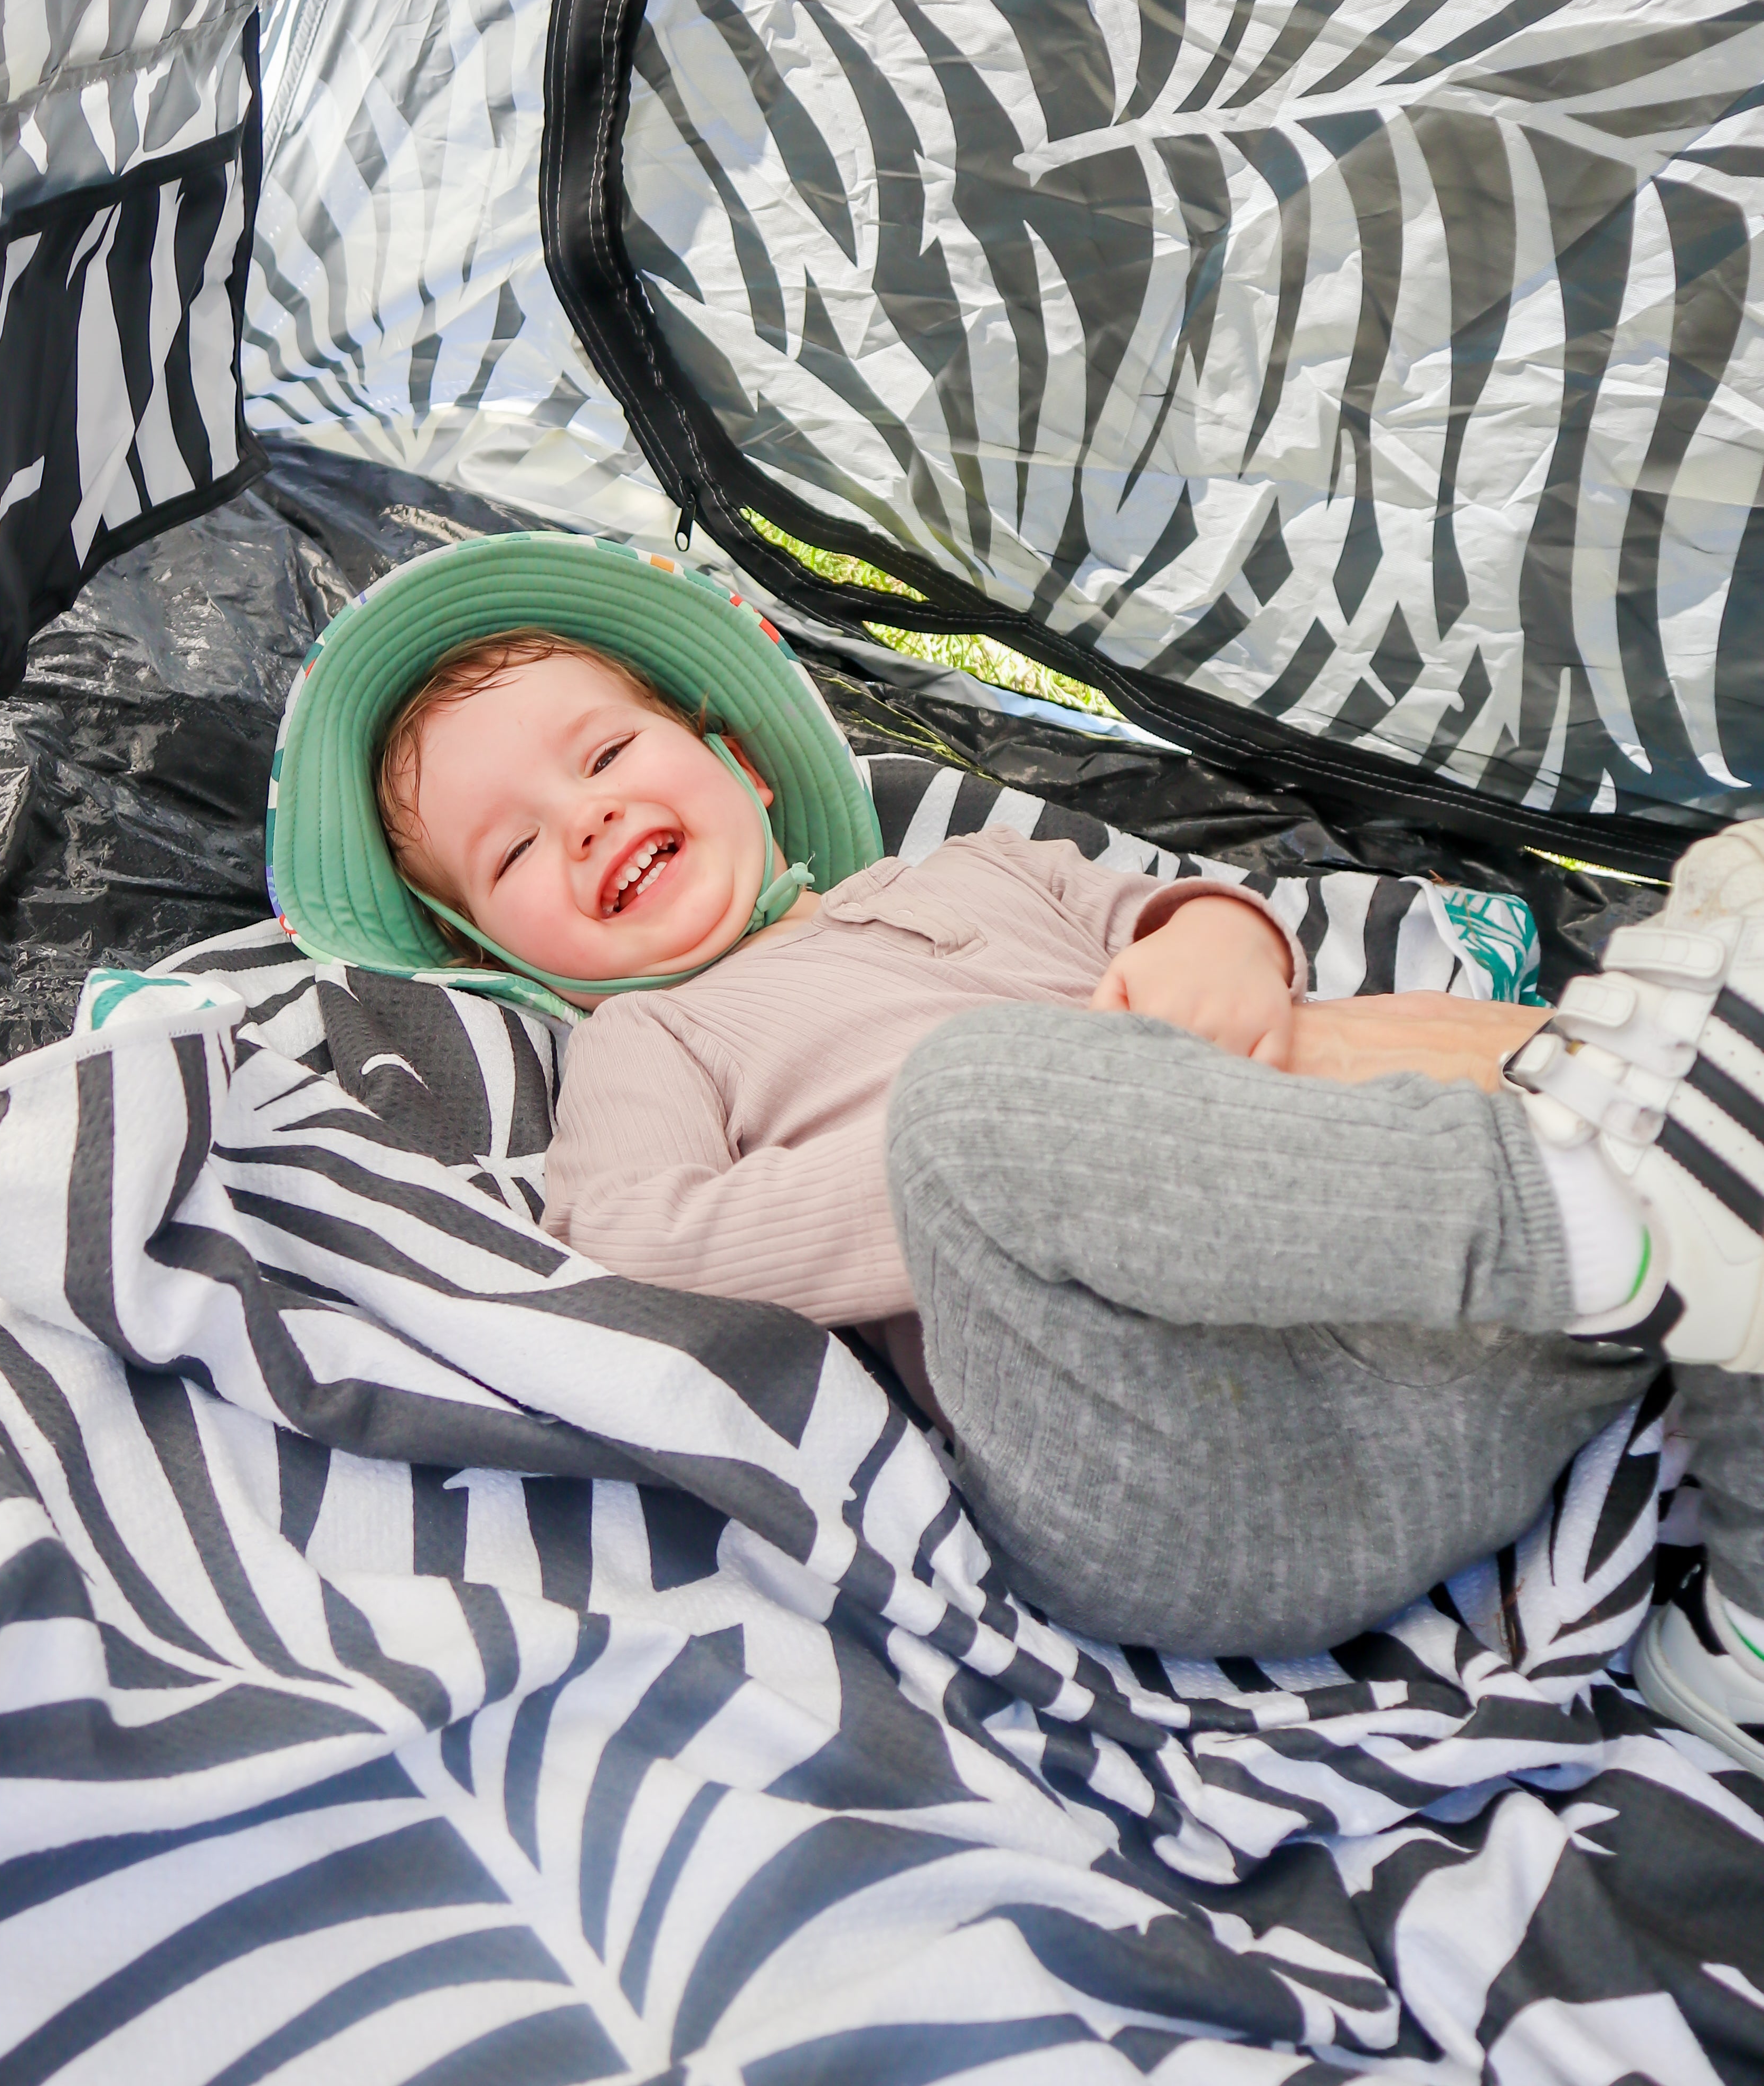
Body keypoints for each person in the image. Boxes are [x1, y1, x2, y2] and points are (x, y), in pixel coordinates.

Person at [266, 533, 1764, 1779]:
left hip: (1440, 1358)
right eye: (515, 851)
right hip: (1186, 1481)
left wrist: (1221, 947)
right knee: (976, 1099)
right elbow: (640, 1239)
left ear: (742, 763)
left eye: (603, 753)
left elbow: (1172, 915)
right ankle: (1600, 1214)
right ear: (497, 953)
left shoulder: (984, 870)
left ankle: (1741, 1635)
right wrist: (1001, 1164)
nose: (584, 819)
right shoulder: (652, 1040)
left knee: (1713, 995)